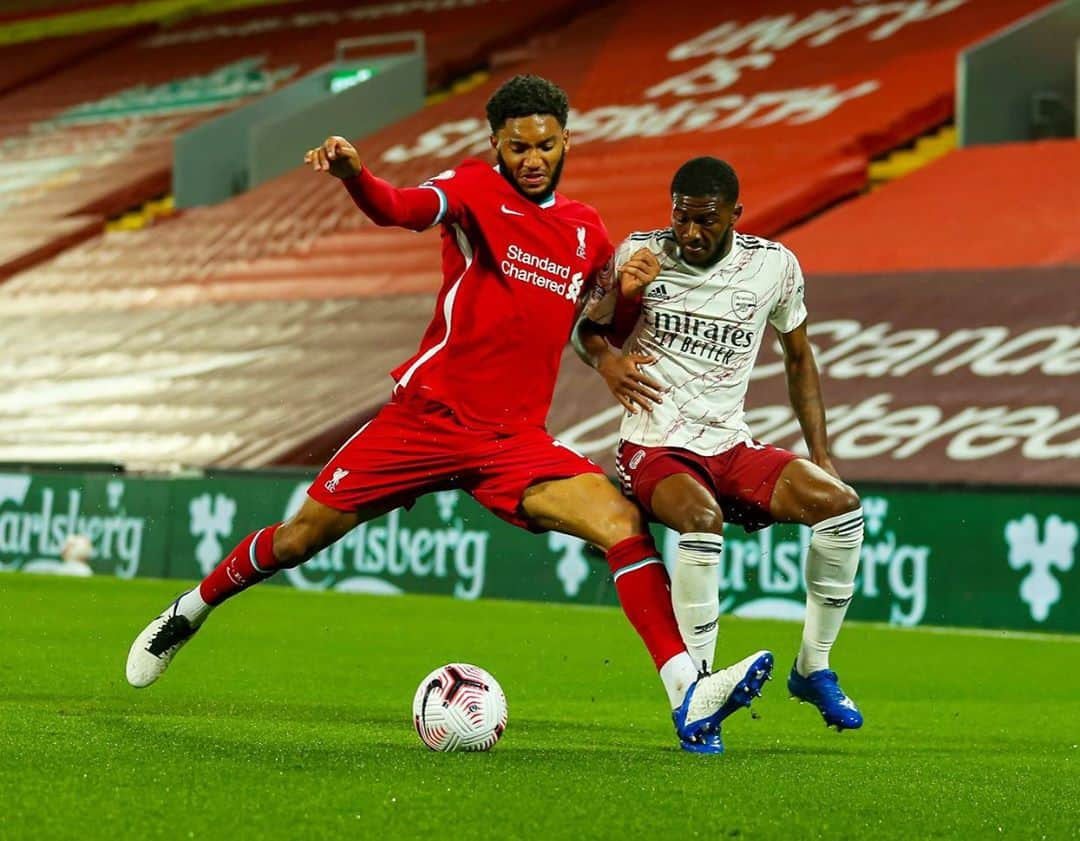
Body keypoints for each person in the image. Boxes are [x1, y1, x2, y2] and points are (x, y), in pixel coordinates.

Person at [125, 77, 771, 754]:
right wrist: (356, 176)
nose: (532, 158)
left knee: (620, 521)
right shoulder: (470, 189)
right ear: (495, 143)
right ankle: (188, 610)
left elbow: (596, 325)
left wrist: (629, 298)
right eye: (517, 146)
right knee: (297, 540)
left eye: (545, 145)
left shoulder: (585, 229)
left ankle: (686, 694)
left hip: (514, 439)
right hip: (427, 419)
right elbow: (402, 208)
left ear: (565, 142)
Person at [574, 156, 865, 731]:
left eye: (705, 220)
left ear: (736, 213)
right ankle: (701, 689)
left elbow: (798, 357)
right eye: (681, 218)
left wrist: (822, 457)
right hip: (653, 443)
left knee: (842, 509)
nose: (690, 233)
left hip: (730, 444)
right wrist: (609, 357)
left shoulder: (773, 267)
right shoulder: (640, 251)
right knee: (701, 519)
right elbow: (588, 330)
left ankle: (814, 668)